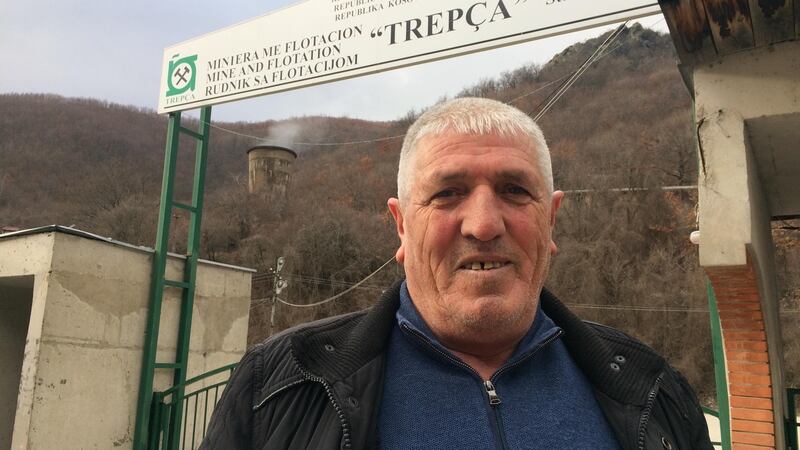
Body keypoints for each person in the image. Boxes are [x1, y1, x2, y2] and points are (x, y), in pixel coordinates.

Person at [200, 97, 712, 449]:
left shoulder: (655, 390)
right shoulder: (276, 388)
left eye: (515, 190)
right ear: (401, 226)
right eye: (447, 193)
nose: (485, 224)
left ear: (550, 219)